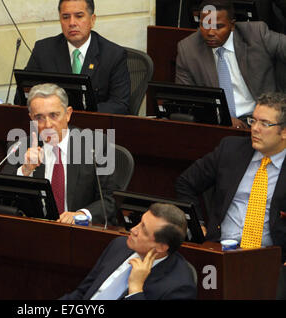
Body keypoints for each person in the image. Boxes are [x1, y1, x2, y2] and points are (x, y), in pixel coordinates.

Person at [175, 92, 286, 299]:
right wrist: (197, 223)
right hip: (220, 251)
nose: (254, 128)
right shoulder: (231, 149)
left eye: (265, 123)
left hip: (270, 262)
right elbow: (185, 183)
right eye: (253, 120)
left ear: (284, 132)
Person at [3, 83, 118, 225]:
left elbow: (110, 199)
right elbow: (2, 196)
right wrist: (25, 170)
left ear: (68, 114)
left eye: (53, 115)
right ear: (31, 118)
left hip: (78, 232)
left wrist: (81, 214)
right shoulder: (21, 147)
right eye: (39, 117)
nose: (48, 124)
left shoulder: (95, 145)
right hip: (36, 230)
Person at [175, 0, 286, 128]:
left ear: (232, 25)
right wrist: (223, 118)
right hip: (218, 126)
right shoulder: (188, 49)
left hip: (264, 122)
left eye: (218, 26)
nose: (210, 32)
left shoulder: (257, 34)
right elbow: (185, 100)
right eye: (205, 25)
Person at [14, 0, 131, 115]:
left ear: (92, 19)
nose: (72, 23)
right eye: (65, 17)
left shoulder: (114, 55)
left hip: (95, 128)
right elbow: (22, 97)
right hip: (51, 125)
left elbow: (119, 104)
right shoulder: (43, 50)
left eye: (79, 16)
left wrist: (78, 114)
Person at [60, 203, 197, 300]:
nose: (133, 230)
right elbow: (83, 292)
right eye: (139, 222)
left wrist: (136, 288)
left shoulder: (180, 287)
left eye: (143, 230)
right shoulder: (120, 245)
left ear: (161, 247)